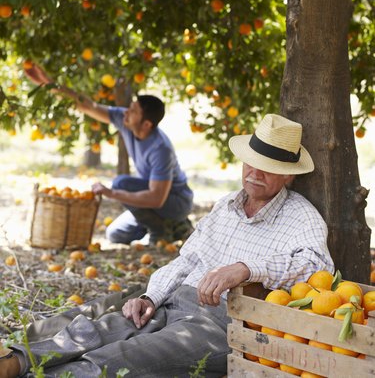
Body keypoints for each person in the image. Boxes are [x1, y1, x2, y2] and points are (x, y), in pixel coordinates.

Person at [0, 113, 334, 378]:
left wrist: (247, 269)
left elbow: (319, 267)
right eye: (251, 161)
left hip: (222, 323)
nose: (255, 173)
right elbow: (186, 260)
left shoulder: (301, 217)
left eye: (269, 168)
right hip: (174, 302)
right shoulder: (225, 206)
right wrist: (150, 296)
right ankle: (14, 362)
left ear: (288, 176)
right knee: (99, 329)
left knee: (125, 358)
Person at [24, 63, 194, 245]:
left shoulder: (160, 149)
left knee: (122, 183)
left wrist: (112, 193)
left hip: (175, 202)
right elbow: (89, 106)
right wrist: (50, 84)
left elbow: (156, 198)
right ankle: (174, 227)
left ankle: (162, 229)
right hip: (155, 201)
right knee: (116, 234)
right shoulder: (127, 122)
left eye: (134, 111)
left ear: (146, 124)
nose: (127, 112)